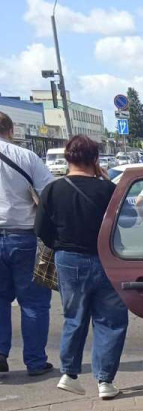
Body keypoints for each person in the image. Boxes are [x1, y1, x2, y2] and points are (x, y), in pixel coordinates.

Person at [34, 135, 128, 400]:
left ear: (67, 158)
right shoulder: (107, 190)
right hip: (107, 259)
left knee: (74, 317)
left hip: (68, 259)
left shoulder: (52, 190)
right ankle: (105, 381)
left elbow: (41, 230)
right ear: (95, 159)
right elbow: (127, 223)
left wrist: (62, 246)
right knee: (110, 320)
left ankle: (69, 374)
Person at [0, 111, 54, 376]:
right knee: (33, 303)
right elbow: (49, 192)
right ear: (10, 131)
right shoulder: (25, 156)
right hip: (23, 235)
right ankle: (35, 361)